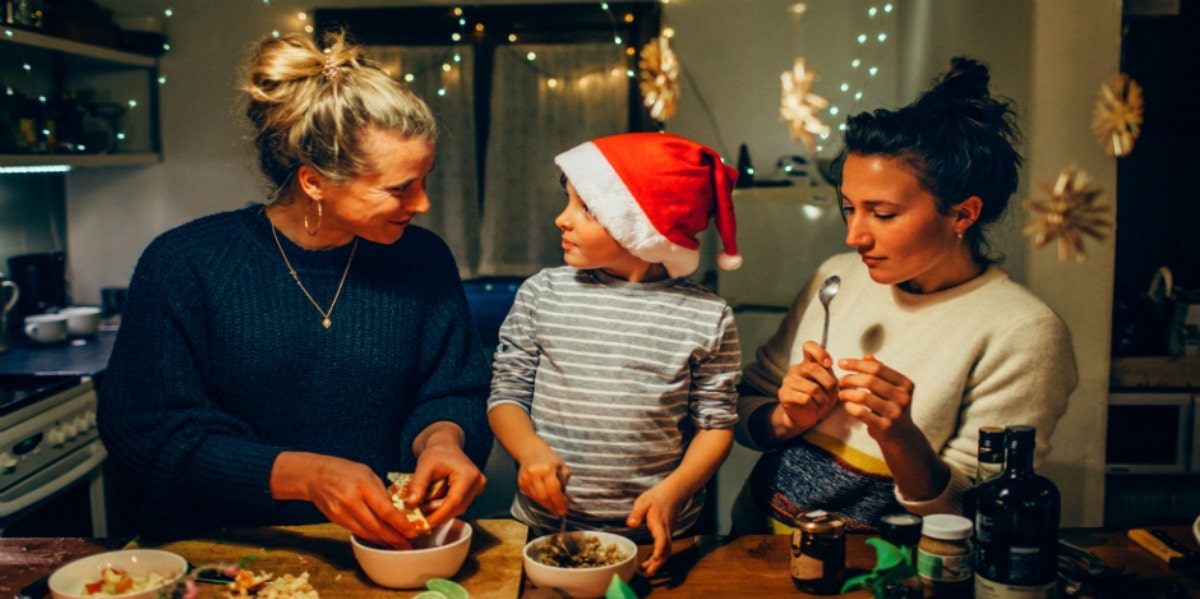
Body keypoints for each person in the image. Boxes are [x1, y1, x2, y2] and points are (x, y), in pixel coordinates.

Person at [97, 30, 492, 547]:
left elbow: (452, 389)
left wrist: (444, 440)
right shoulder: (185, 264)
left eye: (424, 179)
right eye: (399, 188)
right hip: (221, 550)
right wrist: (307, 476)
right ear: (313, 182)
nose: (422, 205)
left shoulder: (423, 259)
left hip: (384, 548)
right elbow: (148, 432)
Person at [732, 57, 1078, 533]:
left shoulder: (1022, 331)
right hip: (756, 544)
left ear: (962, 214)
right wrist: (788, 418)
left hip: (884, 571)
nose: (855, 236)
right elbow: (744, 409)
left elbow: (978, 510)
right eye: (850, 208)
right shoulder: (836, 278)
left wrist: (899, 436)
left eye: (884, 213)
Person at [487, 132, 743, 575]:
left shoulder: (707, 314)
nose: (561, 220)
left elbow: (716, 425)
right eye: (567, 202)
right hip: (546, 529)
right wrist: (529, 452)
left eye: (585, 207)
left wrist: (674, 491)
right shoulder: (542, 293)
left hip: (657, 536)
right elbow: (506, 394)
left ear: (641, 224)